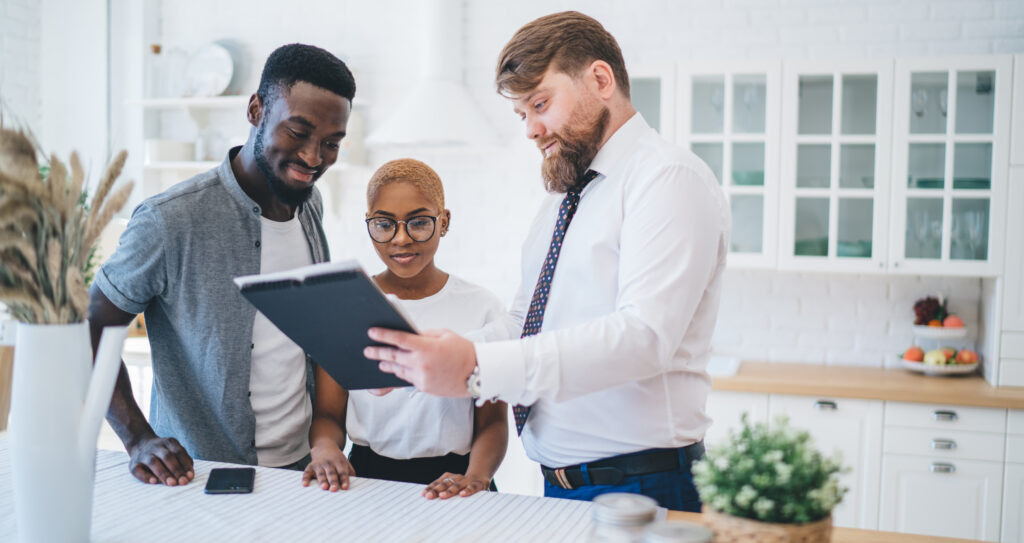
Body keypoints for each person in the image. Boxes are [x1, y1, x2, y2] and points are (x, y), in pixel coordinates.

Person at [363, 11, 729, 511]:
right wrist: (424, 356)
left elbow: (644, 338)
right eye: (522, 115)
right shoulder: (565, 198)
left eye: (541, 104)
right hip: (560, 485)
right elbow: (525, 322)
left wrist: (475, 366)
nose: (532, 130)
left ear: (600, 79)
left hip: (641, 484)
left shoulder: (666, 179)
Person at [88, 43, 356, 486]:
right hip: (201, 478)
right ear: (256, 110)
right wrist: (137, 438)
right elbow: (94, 325)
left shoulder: (311, 208)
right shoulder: (170, 220)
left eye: (331, 143)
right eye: (297, 132)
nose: (313, 157)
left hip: (302, 471)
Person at [301, 159, 508, 499]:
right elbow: (327, 415)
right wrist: (325, 450)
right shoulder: (346, 305)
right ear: (369, 223)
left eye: (419, 222)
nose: (401, 239)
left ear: (444, 222)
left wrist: (477, 476)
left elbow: (494, 422)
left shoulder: (482, 307)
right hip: (365, 478)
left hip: (458, 479)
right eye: (384, 224)